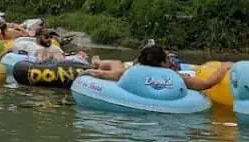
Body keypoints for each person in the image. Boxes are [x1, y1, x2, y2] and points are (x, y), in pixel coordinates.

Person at [86, 44, 232, 91]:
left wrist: (88, 72)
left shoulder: (131, 72)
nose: (169, 59)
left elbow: (105, 75)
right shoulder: (176, 77)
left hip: (129, 72)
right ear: (163, 63)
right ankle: (98, 61)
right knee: (116, 63)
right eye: (167, 57)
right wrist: (224, 67)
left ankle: (99, 62)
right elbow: (207, 84)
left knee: (117, 65)